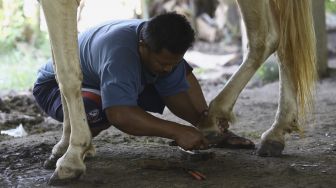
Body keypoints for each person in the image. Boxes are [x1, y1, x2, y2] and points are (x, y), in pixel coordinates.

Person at [33, 12, 254, 151]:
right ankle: (77, 142)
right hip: (57, 87)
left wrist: (206, 125)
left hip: (107, 79)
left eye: (172, 63)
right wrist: (177, 131)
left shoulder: (161, 41)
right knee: (99, 113)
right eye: (162, 62)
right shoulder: (120, 54)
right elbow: (119, 115)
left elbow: (176, 90)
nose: (168, 68)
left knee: (176, 72)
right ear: (142, 45)